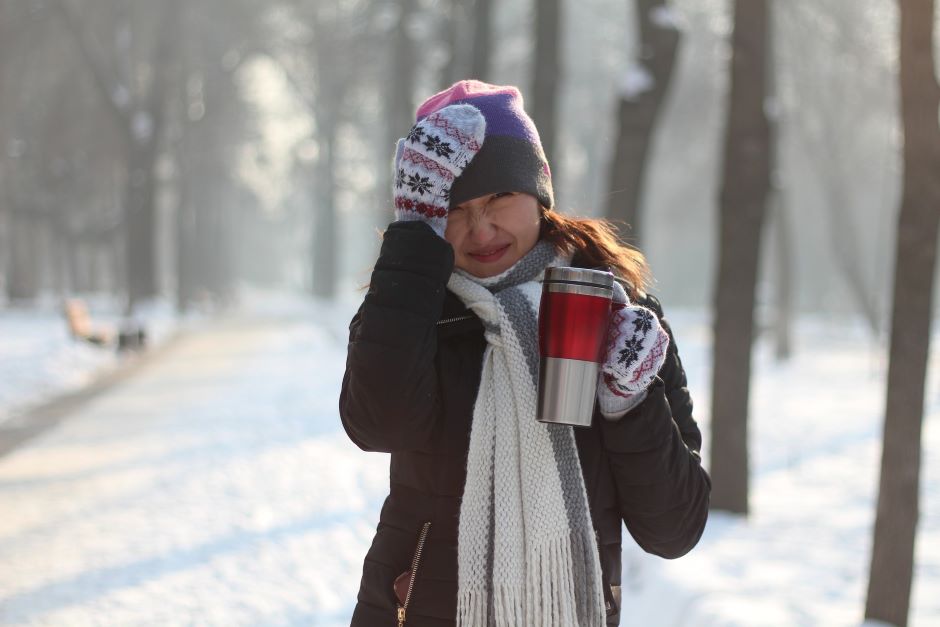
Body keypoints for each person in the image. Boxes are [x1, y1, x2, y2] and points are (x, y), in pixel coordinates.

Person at [340, 80, 710, 627]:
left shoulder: (618, 312)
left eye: (498, 197)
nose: (480, 228)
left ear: (538, 192)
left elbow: (675, 529)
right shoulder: (412, 305)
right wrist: (415, 239)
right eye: (454, 208)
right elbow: (378, 426)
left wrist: (629, 401)